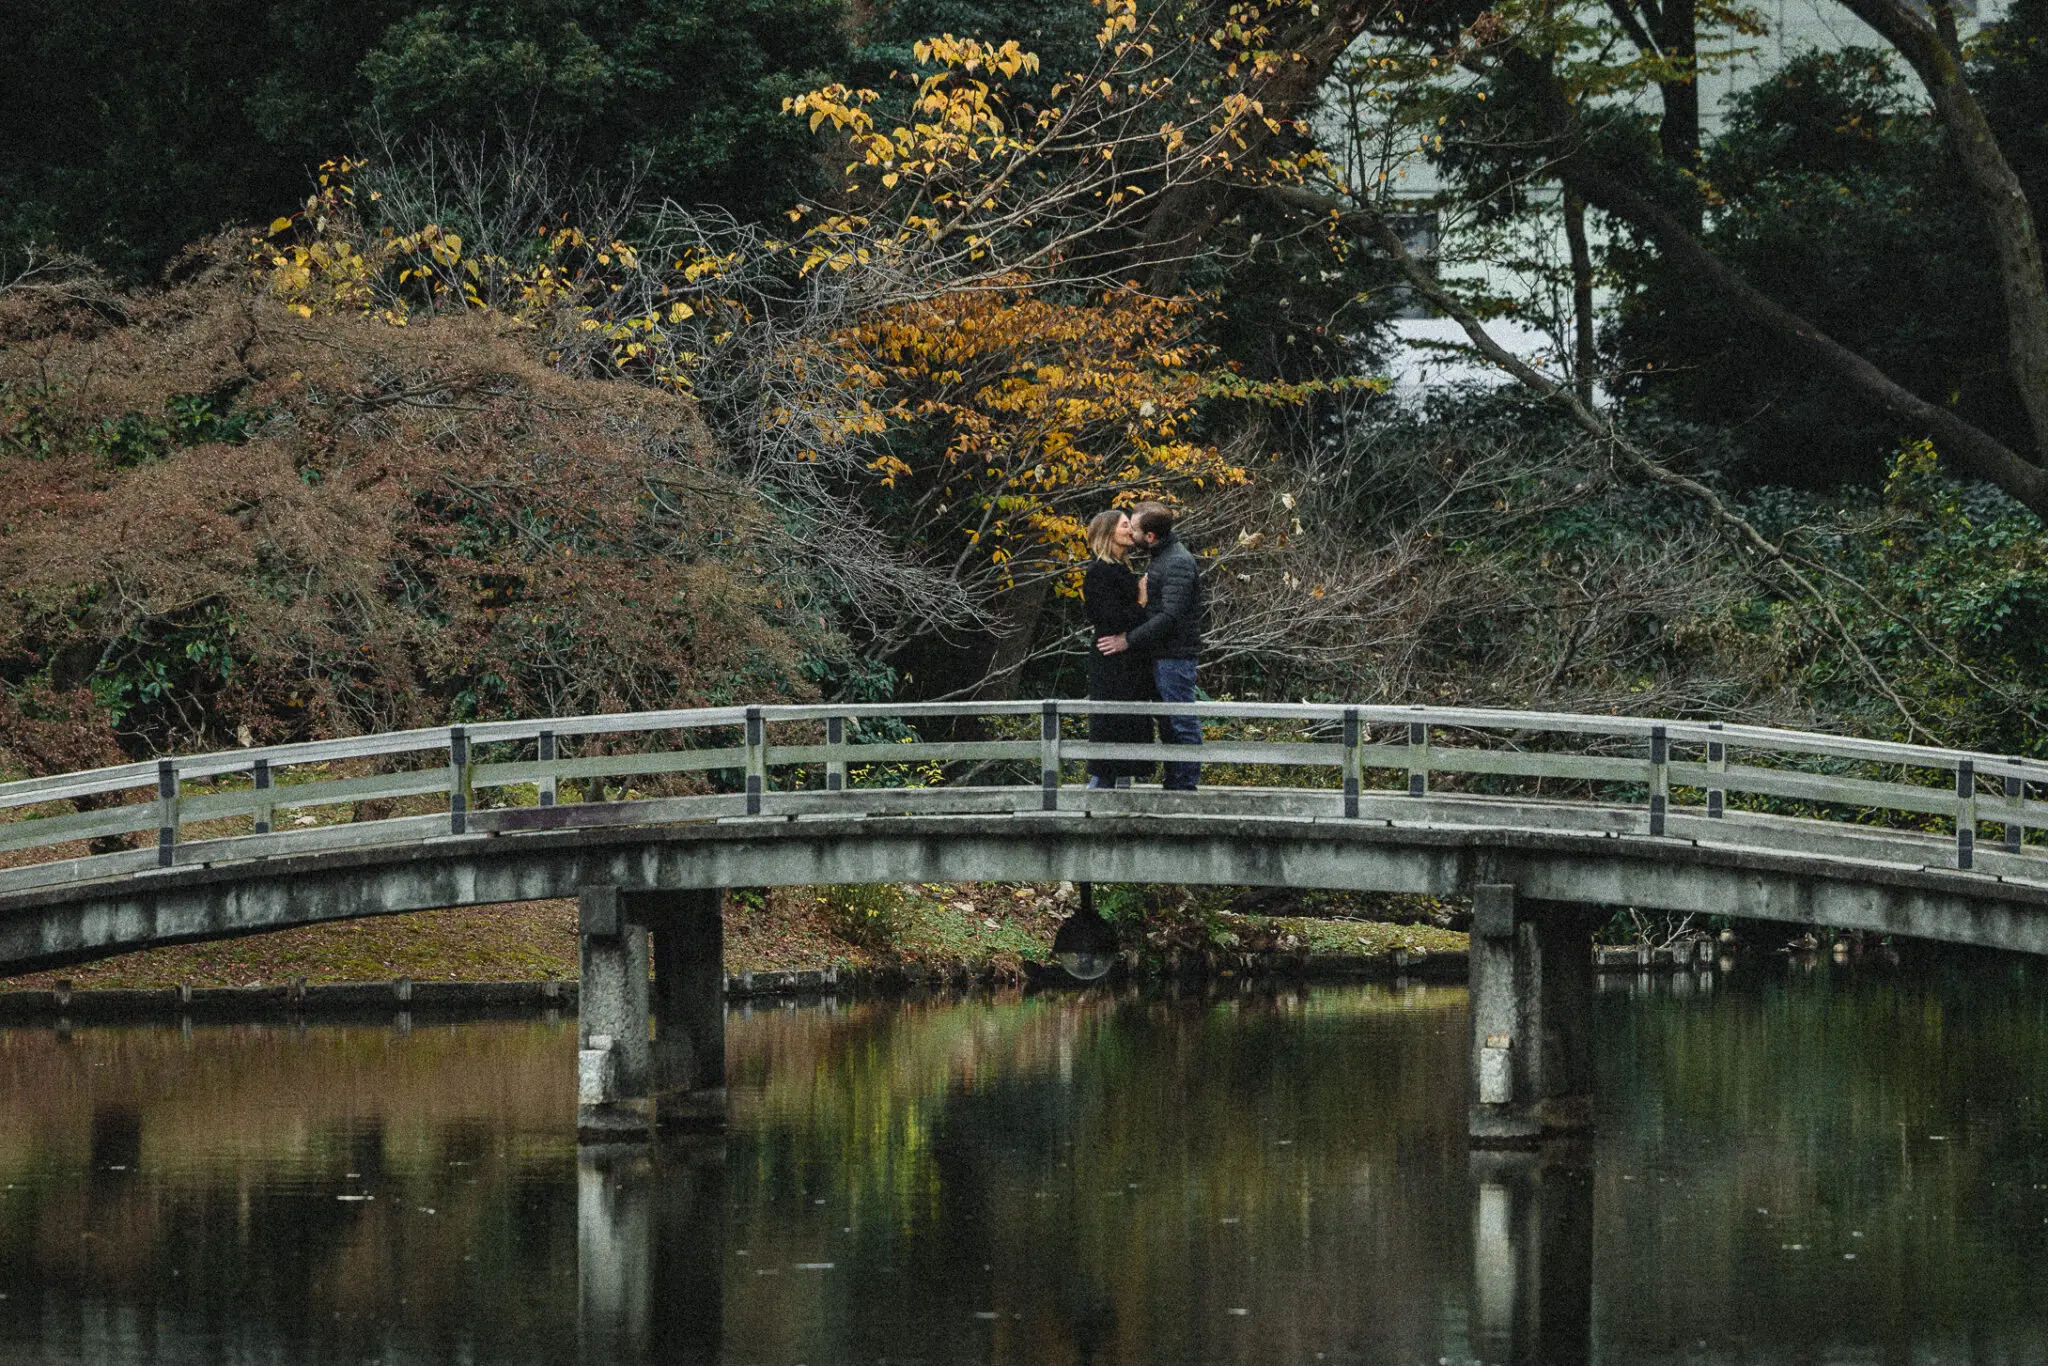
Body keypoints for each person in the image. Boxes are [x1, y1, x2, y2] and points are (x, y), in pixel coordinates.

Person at [1097, 502, 1202, 790]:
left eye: (1135, 527)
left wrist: (1127, 640)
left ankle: (1184, 788)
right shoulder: (1161, 557)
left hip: (1174, 656)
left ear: (1151, 537)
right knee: (1169, 723)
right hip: (1162, 654)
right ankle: (1175, 783)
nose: (1130, 532)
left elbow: (1169, 616)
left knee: (1180, 721)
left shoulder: (1177, 562)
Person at [1081, 509, 1158, 788]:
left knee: (1128, 734)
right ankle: (1095, 804)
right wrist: (1140, 602)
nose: (1130, 530)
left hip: (1128, 664)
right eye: (1125, 525)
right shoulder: (1099, 573)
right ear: (1108, 532)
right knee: (1111, 734)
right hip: (1112, 664)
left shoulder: (1121, 568)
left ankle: (1122, 807)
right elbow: (1108, 620)